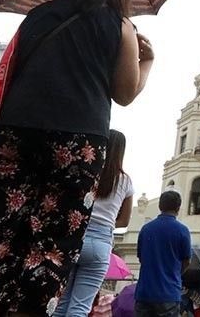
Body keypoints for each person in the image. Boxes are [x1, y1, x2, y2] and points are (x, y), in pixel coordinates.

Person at [0, 0, 153, 316]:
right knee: (47, 253)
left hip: (16, 135)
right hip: (76, 143)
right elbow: (125, 92)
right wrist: (147, 61)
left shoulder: (39, 15)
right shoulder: (120, 25)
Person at [55, 130, 135, 316]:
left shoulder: (88, 171)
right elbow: (124, 221)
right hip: (100, 243)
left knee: (61, 303)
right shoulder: (125, 181)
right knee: (80, 307)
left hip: (75, 237)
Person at [134, 191, 192, 317]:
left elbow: (141, 258)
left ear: (160, 206)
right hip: (169, 293)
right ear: (178, 208)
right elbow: (187, 261)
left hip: (145, 292)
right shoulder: (182, 230)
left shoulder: (146, 229)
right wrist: (175, 273)